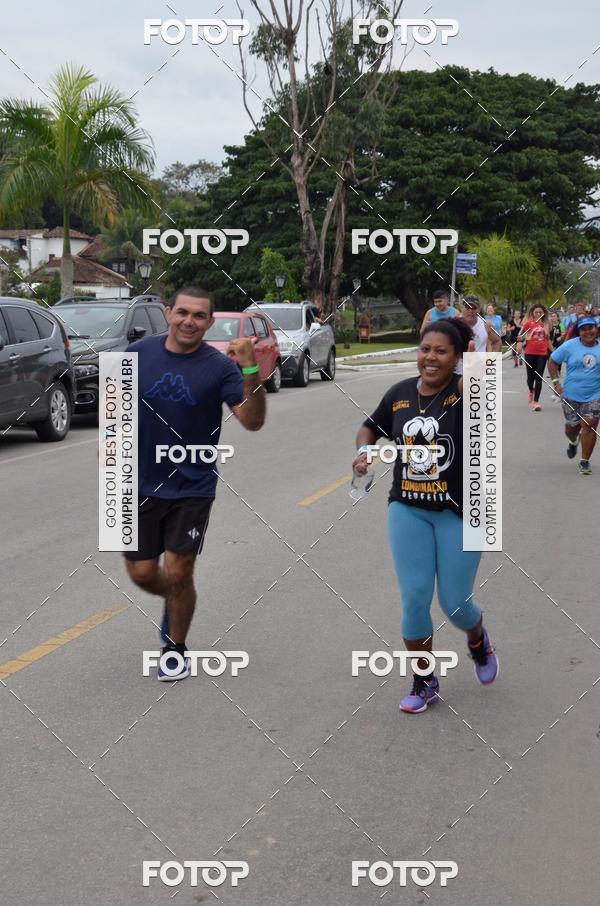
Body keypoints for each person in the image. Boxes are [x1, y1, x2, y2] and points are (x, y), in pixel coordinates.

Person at [353, 318, 499, 714]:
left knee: (454, 604)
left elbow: (481, 388)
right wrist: (364, 450)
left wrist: (474, 359)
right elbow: (369, 427)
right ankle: (424, 680)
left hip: (465, 508)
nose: (430, 358)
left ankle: (477, 636)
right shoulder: (399, 394)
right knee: (415, 598)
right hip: (408, 506)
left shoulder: (466, 389)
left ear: (456, 358)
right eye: (425, 349)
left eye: (441, 352)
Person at [124, 286, 266, 680]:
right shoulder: (137, 354)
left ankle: (176, 648)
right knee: (141, 573)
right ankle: (176, 597)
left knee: (180, 568)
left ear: (209, 321)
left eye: (199, 316)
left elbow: (252, 421)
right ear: (169, 313)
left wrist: (250, 369)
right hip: (137, 483)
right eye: (182, 312)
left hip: (192, 485)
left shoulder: (220, 367)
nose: (189, 321)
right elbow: (116, 409)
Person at [548, 317, 600, 475]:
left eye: (591, 328)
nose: (588, 331)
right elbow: (552, 361)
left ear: (596, 329)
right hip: (571, 394)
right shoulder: (570, 346)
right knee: (572, 427)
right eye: (584, 329)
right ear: (579, 331)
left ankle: (584, 461)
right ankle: (573, 441)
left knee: (589, 424)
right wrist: (556, 383)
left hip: (595, 394)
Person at [518, 303, 551, 411]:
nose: (538, 314)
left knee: (539, 377)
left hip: (542, 353)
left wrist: (554, 352)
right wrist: (520, 339)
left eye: (540, 312)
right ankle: (531, 390)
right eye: (536, 312)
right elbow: (521, 337)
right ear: (533, 313)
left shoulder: (546, 324)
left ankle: (536, 402)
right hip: (529, 353)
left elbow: (548, 340)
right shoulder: (528, 324)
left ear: (543, 313)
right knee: (530, 377)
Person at [457, 295, 502, 361]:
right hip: (458, 369)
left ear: (479, 309)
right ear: (462, 308)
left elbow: (497, 341)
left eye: (474, 308)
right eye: (467, 307)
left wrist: (492, 360)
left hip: (478, 367)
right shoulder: (454, 325)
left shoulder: (486, 325)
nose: (470, 311)